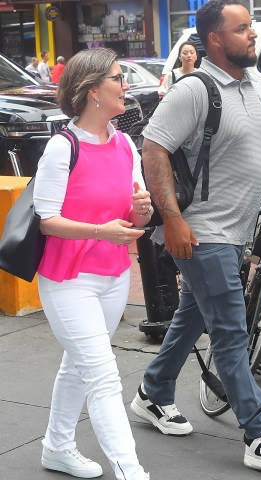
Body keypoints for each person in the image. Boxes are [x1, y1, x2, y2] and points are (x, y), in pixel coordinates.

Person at [130, 0, 261, 473]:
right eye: (242, 28)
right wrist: (172, 219)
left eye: (251, 26)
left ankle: (153, 390)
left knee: (194, 317)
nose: (253, 35)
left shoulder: (253, 83)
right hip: (202, 231)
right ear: (214, 39)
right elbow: (154, 147)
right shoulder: (195, 89)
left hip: (235, 232)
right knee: (231, 333)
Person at [33, 47, 153, 480]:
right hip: (69, 280)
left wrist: (143, 210)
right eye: (118, 78)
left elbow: (139, 215)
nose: (126, 85)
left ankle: (57, 448)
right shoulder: (61, 148)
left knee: (79, 366)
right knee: (102, 375)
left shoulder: (124, 145)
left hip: (114, 275)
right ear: (92, 92)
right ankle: (130, 470)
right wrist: (102, 230)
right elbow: (47, 221)